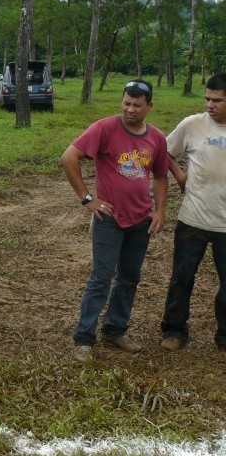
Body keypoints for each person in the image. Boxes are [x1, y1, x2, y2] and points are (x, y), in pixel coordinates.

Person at [61, 79, 168, 363]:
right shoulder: (104, 128)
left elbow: (160, 175)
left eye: (137, 105)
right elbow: (69, 157)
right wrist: (87, 199)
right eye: (126, 103)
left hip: (140, 220)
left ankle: (115, 329)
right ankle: (84, 338)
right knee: (101, 277)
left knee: (129, 277)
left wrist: (160, 211)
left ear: (150, 107)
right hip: (109, 218)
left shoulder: (156, 137)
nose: (130, 109)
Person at [160, 73, 226, 352]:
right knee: (182, 277)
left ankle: (224, 336)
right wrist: (180, 175)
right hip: (193, 219)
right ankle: (174, 330)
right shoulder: (192, 125)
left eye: (218, 100)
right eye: (207, 99)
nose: (210, 105)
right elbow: (163, 151)